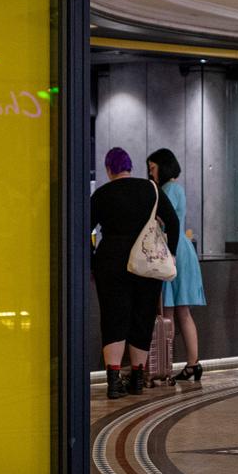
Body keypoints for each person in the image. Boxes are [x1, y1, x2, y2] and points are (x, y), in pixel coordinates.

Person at [91, 147, 179, 398]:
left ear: (109, 169)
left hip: (111, 261)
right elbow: (172, 222)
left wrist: (90, 260)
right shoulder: (151, 189)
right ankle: (138, 379)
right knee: (142, 317)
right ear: (130, 166)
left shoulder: (102, 194)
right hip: (147, 261)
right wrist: (170, 253)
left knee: (114, 317)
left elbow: (83, 228)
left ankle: (114, 381)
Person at [146, 148, 206, 383]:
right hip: (185, 250)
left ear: (163, 166)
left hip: (170, 251)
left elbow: (160, 221)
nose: (151, 173)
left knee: (167, 312)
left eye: (153, 167)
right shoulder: (178, 188)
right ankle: (193, 364)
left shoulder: (166, 190)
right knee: (184, 312)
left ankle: (165, 368)